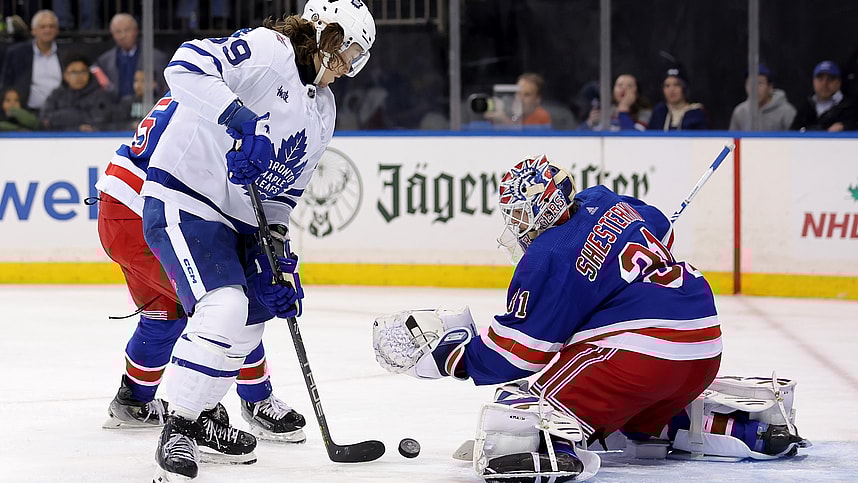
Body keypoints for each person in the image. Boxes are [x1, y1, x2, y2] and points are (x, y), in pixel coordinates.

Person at [372, 154, 806, 480]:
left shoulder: (548, 255)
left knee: (526, 402)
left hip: (645, 355)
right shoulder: (602, 199)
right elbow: (661, 230)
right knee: (627, 419)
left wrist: (454, 359)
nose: (517, 223)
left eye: (521, 212)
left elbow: (520, 352)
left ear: (542, 208)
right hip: (703, 345)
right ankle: (727, 426)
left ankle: (550, 447)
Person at [138, 0, 376, 479]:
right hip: (187, 196)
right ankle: (176, 426)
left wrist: (278, 259)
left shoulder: (323, 110)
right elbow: (184, 67)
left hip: (241, 220)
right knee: (223, 307)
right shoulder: (271, 50)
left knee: (253, 314)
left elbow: (283, 197)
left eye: (358, 58)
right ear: (326, 31)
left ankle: (201, 416)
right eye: (349, 50)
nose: (350, 66)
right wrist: (238, 117)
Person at [95, 93, 308, 448]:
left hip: (119, 210)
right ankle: (235, 404)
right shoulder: (232, 100)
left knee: (165, 313)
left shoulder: (203, 87)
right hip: (150, 209)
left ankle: (134, 399)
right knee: (224, 298)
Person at [0, 10, 64, 113]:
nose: (47, 30)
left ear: (57, 30)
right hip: (27, 112)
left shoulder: (66, 54)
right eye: (43, 27)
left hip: (61, 113)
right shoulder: (16, 54)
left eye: (51, 26)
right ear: (33, 30)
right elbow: (6, 84)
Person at [95, 13, 169, 101]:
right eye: (118, 32)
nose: (123, 36)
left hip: (146, 109)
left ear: (136, 31)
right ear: (112, 34)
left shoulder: (156, 58)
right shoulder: (104, 60)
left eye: (127, 30)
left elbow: (164, 89)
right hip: (114, 111)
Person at [39, 52, 116, 131]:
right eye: (74, 72)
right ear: (65, 75)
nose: (79, 77)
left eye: (83, 72)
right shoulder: (57, 94)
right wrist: (76, 127)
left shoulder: (100, 95)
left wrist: (61, 117)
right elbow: (45, 121)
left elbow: (98, 122)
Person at [790, 60, 858, 132]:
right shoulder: (806, 108)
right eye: (820, 78)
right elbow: (792, 134)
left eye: (830, 79)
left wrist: (844, 127)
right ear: (814, 81)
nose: (824, 83)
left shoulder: (850, 108)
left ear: (838, 82)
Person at [729, 64, 796, 131]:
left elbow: (796, 139)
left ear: (770, 87)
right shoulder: (740, 111)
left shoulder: (787, 112)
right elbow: (732, 139)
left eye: (760, 83)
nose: (754, 89)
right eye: (750, 83)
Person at [579, 73, 651, 131]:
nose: (624, 88)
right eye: (620, 85)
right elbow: (577, 138)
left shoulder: (644, 113)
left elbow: (635, 139)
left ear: (637, 93)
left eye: (629, 86)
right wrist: (589, 123)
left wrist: (623, 110)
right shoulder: (604, 111)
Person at [648, 66, 708, 131]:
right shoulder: (659, 112)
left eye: (676, 85)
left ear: (684, 88)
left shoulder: (696, 113)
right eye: (667, 86)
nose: (671, 90)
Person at [484, 72, 552, 128]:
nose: (520, 98)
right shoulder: (511, 111)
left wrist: (504, 120)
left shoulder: (541, 116)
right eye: (518, 93)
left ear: (537, 99)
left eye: (527, 95)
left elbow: (523, 137)